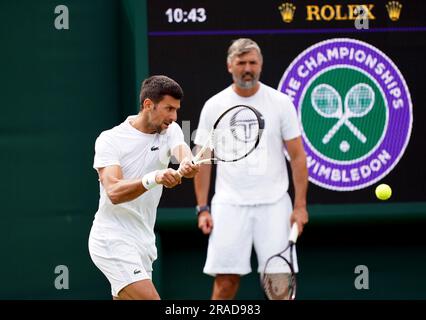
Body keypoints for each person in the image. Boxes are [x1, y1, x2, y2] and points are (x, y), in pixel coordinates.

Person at [193, 38, 309, 299]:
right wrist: (203, 208)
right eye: (241, 62)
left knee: (279, 286)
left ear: (261, 65)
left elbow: (298, 157)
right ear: (229, 66)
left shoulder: (281, 103)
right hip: (228, 205)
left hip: (276, 205)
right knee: (225, 282)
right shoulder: (214, 106)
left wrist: (300, 206)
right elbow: (202, 159)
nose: (248, 68)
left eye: (253, 62)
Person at [88, 75, 199, 300]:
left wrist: (188, 164)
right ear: (148, 104)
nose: (173, 117)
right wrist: (155, 177)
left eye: (176, 110)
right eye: (169, 109)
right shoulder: (110, 140)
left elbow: (183, 153)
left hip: (143, 242)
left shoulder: (171, 130)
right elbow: (114, 192)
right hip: (112, 238)